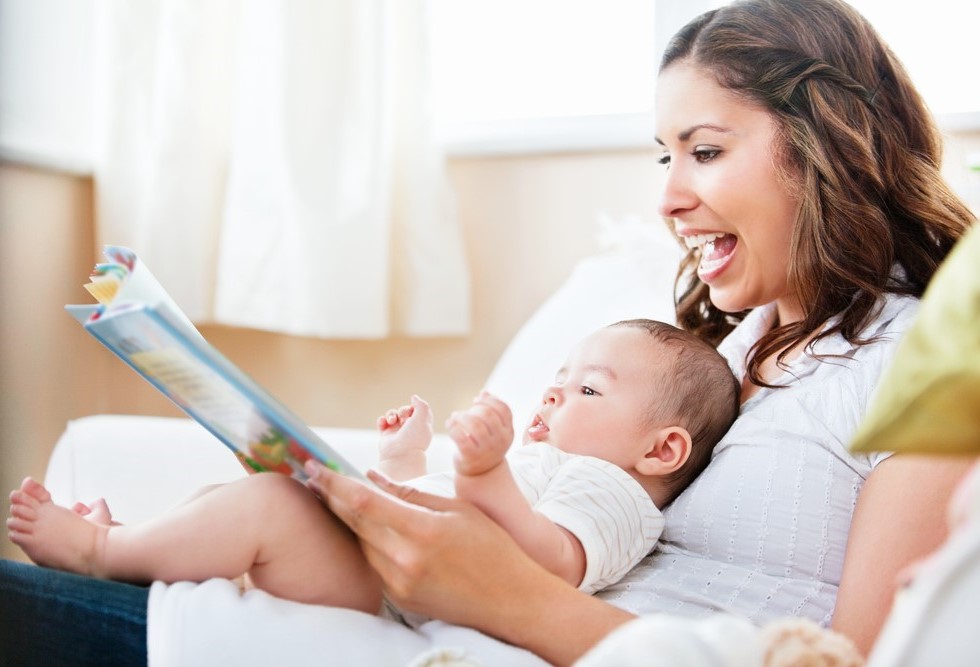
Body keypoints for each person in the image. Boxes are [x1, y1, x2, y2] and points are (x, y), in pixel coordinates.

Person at [0, 1, 975, 664]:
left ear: (825, 143)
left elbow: (855, 659)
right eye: (663, 154)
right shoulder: (721, 347)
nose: (669, 198)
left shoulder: (921, 366)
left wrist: (502, 594)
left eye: (705, 150)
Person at [7, 320, 739, 621]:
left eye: (587, 389)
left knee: (267, 509)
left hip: (397, 590)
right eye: (558, 376)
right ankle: (136, 547)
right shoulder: (550, 462)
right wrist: (405, 461)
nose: (553, 393)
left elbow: (549, 560)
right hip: (392, 556)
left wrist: (484, 471)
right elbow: (443, 506)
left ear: (663, 450)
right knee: (231, 497)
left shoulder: (614, 492)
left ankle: (101, 552)